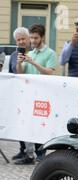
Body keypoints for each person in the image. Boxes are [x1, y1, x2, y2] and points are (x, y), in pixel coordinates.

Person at [16, 24, 57, 164]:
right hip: (29, 95)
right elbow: (20, 73)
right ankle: (30, 154)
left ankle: (41, 155)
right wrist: (19, 63)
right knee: (29, 124)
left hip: (44, 95)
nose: (32, 40)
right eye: (31, 37)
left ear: (42, 37)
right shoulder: (30, 54)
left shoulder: (50, 53)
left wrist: (33, 63)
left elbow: (50, 72)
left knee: (42, 125)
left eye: (35, 38)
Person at [8, 27, 31, 161]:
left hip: (31, 92)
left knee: (29, 122)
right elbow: (12, 73)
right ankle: (22, 149)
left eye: (23, 38)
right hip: (18, 93)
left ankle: (32, 152)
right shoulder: (13, 56)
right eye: (18, 39)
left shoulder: (33, 53)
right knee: (18, 122)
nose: (21, 42)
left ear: (28, 39)